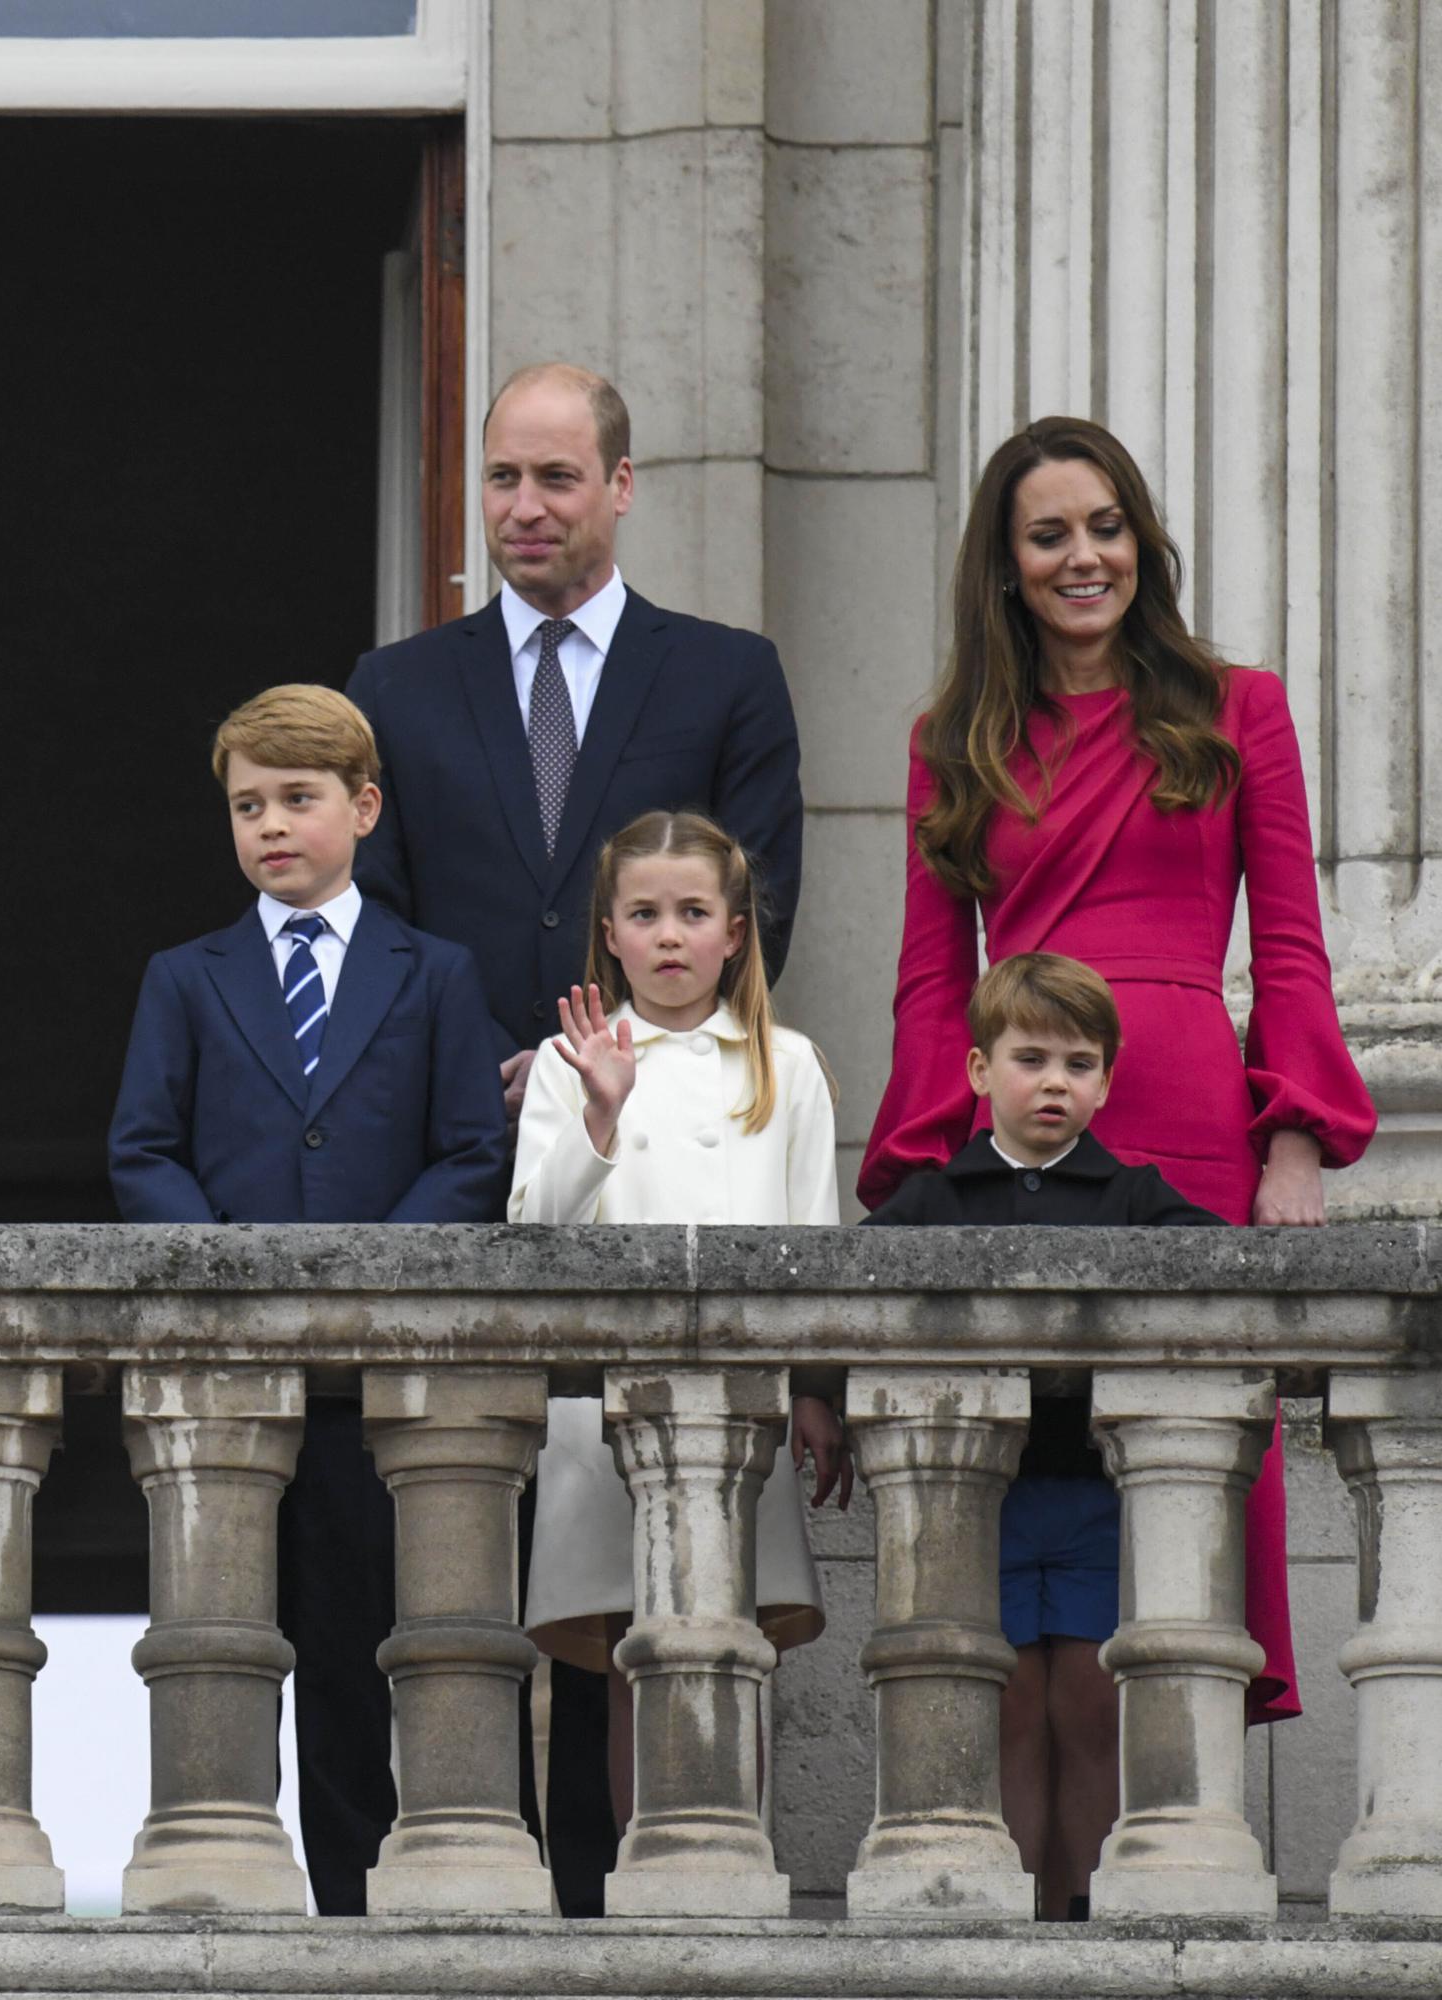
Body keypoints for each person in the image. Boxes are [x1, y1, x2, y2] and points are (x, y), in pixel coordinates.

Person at [346, 361, 806, 1908]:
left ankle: (623, 1882)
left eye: (555, 480)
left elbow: (764, 905)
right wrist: (498, 1070)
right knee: (449, 1539)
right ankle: (437, 1885)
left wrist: (620, 1062)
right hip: (460, 1154)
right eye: (501, 482)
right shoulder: (398, 687)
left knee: (637, 1544)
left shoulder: (724, 674)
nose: (524, 510)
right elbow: (381, 918)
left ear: (622, 486)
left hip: (661, 1155)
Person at [857, 415, 1376, 1724]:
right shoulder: (951, 737)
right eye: (1051, 536)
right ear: (1008, 563)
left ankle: (1180, 1812)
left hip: (1192, 1119)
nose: (1085, 557)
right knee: (1030, 1487)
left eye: (1106, 527)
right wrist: (924, 1168)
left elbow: (1293, 941)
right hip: (1017, 1131)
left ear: (1142, 538)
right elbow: (931, 978)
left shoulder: (1237, 706)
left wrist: (1296, 1139)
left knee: (1191, 1468)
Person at [106, 684, 508, 1915]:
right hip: (229, 1376)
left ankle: (349, 1914)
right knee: (219, 1645)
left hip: (374, 1380)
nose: (271, 824)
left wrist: (375, 1271)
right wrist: (229, 1268)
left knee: (355, 1645)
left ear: (364, 806)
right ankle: (231, 1898)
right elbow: (142, 1148)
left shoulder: (435, 972)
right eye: (247, 805)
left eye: (298, 798)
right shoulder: (186, 975)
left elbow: (472, 1150)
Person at [863, 952, 1221, 1920]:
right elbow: (846, 1291)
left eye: (1078, 1061)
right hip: (985, 1501)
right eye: (1030, 1057)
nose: (1055, 1080)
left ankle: (1082, 1910)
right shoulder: (937, 1199)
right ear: (980, 1071)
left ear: (1106, 1079)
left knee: (1092, 1705)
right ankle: (1012, 1908)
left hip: (1094, 1495)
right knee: (1008, 1704)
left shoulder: (1137, 1198)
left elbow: (1228, 1275)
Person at [510, 810, 847, 1838]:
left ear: (736, 931)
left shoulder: (787, 1063)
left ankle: (730, 1863)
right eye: (644, 913)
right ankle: (641, 1875)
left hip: (746, 1404)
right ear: (608, 932)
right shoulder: (566, 1062)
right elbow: (533, 1235)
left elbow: (816, 1244)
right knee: (629, 1654)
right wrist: (600, 1117)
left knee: (729, 1646)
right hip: (606, 1402)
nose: (668, 935)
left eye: (693, 912)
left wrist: (817, 1389)